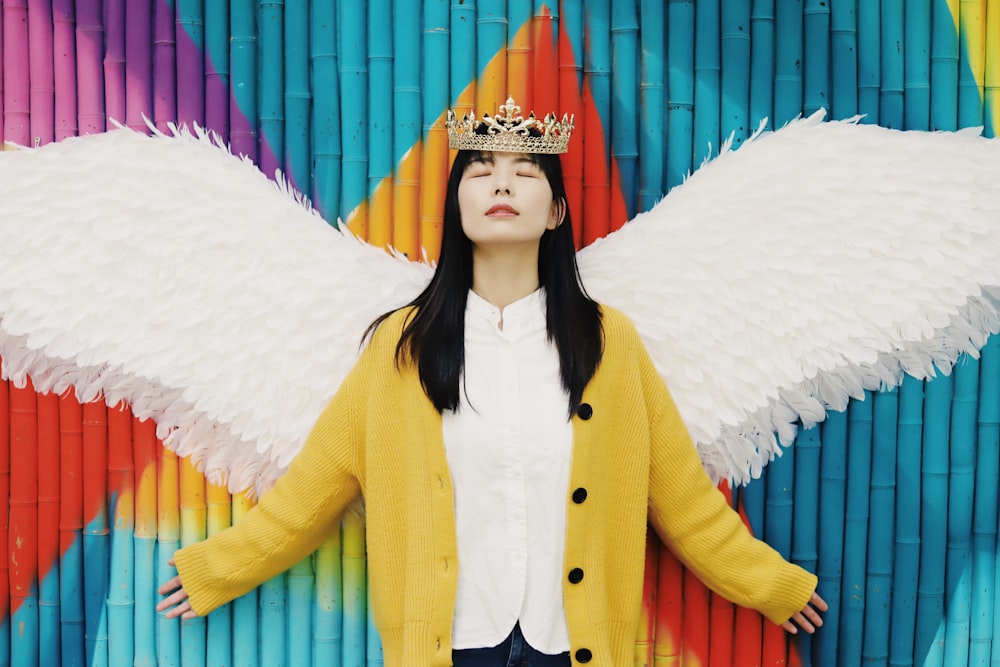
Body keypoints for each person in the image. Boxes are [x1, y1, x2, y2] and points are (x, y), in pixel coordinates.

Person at [158, 97, 827, 666]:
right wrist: (216, 569)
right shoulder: (400, 350)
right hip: (448, 647)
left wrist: (773, 585)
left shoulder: (609, 345)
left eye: (525, 171)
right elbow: (310, 491)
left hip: (575, 645)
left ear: (557, 210)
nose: (501, 185)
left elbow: (685, 501)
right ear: (457, 203)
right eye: (481, 170)